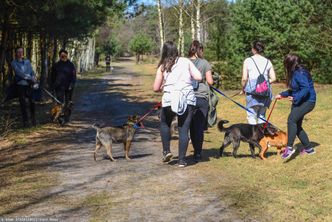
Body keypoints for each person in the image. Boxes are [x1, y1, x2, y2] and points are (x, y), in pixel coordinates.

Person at [153, 41, 202, 167]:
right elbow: (198, 77)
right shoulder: (186, 61)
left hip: (169, 98)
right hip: (186, 98)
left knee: (164, 123)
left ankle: (166, 151)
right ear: (176, 50)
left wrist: (163, 85)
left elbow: (155, 88)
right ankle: (181, 160)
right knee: (183, 129)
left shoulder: (163, 65)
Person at [276, 54, 316, 159]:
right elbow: (294, 89)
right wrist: (282, 94)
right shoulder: (295, 73)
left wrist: (295, 97)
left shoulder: (300, 73)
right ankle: (309, 149)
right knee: (296, 125)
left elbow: (306, 89)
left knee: (291, 120)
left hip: (308, 101)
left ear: (289, 64)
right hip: (299, 101)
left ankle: (289, 148)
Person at [188, 40, 214, 162]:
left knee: (191, 126)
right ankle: (198, 152)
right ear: (199, 50)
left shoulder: (185, 62)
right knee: (199, 126)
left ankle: (195, 148)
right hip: (201, 97)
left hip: (188, 97)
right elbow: (210, 82)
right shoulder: (204, 63)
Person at [241, 40, 276, 125]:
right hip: (265, 93)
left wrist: (243, 88)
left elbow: (244, 78)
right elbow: (273, 78)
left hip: (252, 93)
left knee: (251, 115)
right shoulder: (268, 61)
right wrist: (263, 84)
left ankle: (253, 137)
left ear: (253, 49)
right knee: (262, 116)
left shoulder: (248, 60)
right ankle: (262, 137)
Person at [11, 47, 37, 127]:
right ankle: (26, 122)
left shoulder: (27, 61)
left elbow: (31, 71)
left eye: (21, 52)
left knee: (32, 102)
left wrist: (34, 76)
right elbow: (19, 73)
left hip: (29, 85)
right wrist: (30, 78)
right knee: (23, 104)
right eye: (18, 52)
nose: (20, 53)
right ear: (16, 53)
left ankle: (33, 120)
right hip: (20, 85)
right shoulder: (14, 62)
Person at [50, 49, 76, 123]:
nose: (63, 57)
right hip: (59, 87)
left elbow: (74, 76)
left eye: (65, 55)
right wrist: (52, 86)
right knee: (60, 103)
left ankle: (67, 118)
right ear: (59, 56)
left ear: (67, 56)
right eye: (62, 56)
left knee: (68, 103)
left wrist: (72, 84)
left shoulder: (71, 65)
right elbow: (52, 77)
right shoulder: (56, 65)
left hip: (69, 87)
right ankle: (59, 118)